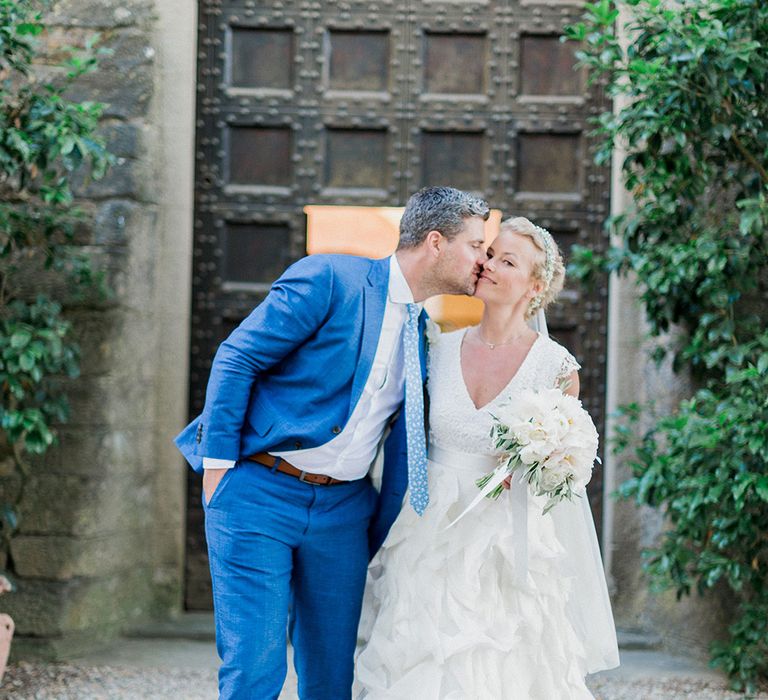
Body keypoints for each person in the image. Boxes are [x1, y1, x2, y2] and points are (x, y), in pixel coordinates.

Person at [174, 186, 490, 699]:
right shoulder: (330, 279)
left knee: (331, 675)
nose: (483, 258)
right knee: (255, 667)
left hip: (344, 511)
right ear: (436, 242)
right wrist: (217, 469)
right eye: (476, 244)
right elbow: (237, 357)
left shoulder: (422, 332)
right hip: (258, 492)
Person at [355, 217, 620, 699]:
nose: (489, 264)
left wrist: (546, 464)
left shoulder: (555, 367)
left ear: (534, 287)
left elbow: (564, 470)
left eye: (508, 260)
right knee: (421, 660)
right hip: (428, 534)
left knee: (503, 666)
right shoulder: (436, 347)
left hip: (506, 542)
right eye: (491, 253)